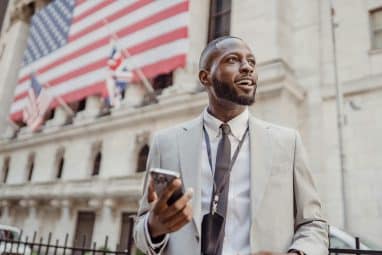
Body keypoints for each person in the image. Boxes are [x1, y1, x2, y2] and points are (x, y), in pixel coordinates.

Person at [134, 36, 328, 255]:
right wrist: (154, 227)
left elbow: (314, 224)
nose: (247, 68)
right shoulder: (165, 142)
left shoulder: (288, 142)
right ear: (205, 77)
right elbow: (141, 231)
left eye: (252, 62)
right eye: (233, 60)